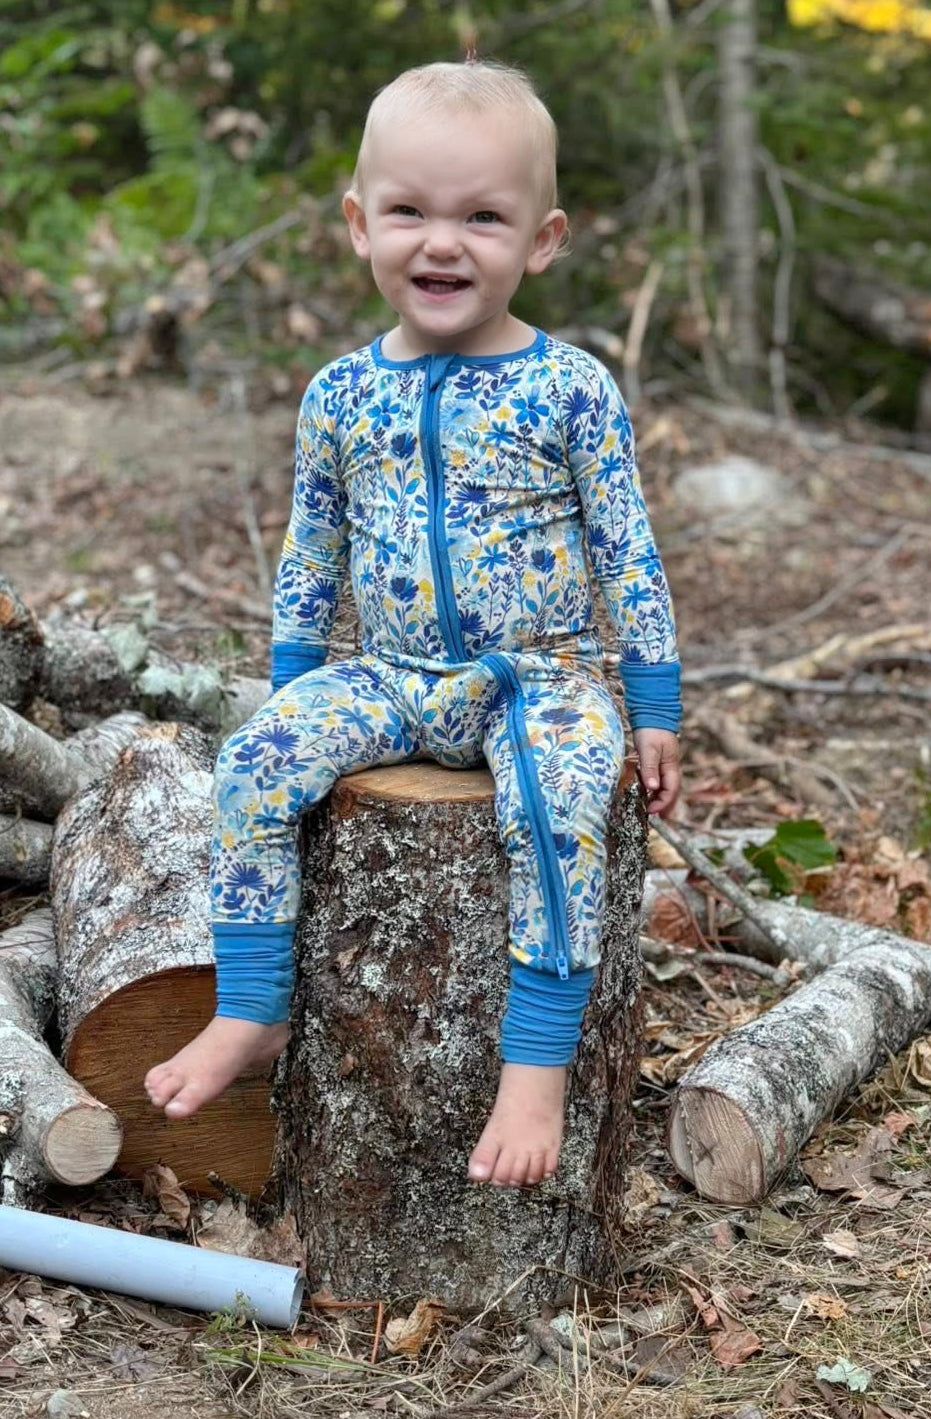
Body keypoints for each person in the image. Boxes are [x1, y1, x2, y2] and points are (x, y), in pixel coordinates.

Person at [145, 58, 681, 1190]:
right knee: (251, 766)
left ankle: (532, 1062)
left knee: (556, 806)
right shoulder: (341, 393)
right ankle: (253, 1007)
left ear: (540, 240)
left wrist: (653, 704)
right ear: (358, 225)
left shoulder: (569, 386)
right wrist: (295, 679)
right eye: (409, 212)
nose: (441, 243)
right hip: (388, 673)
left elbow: (628, 547)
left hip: (537, 674)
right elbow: (313, 549)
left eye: (481, 217)